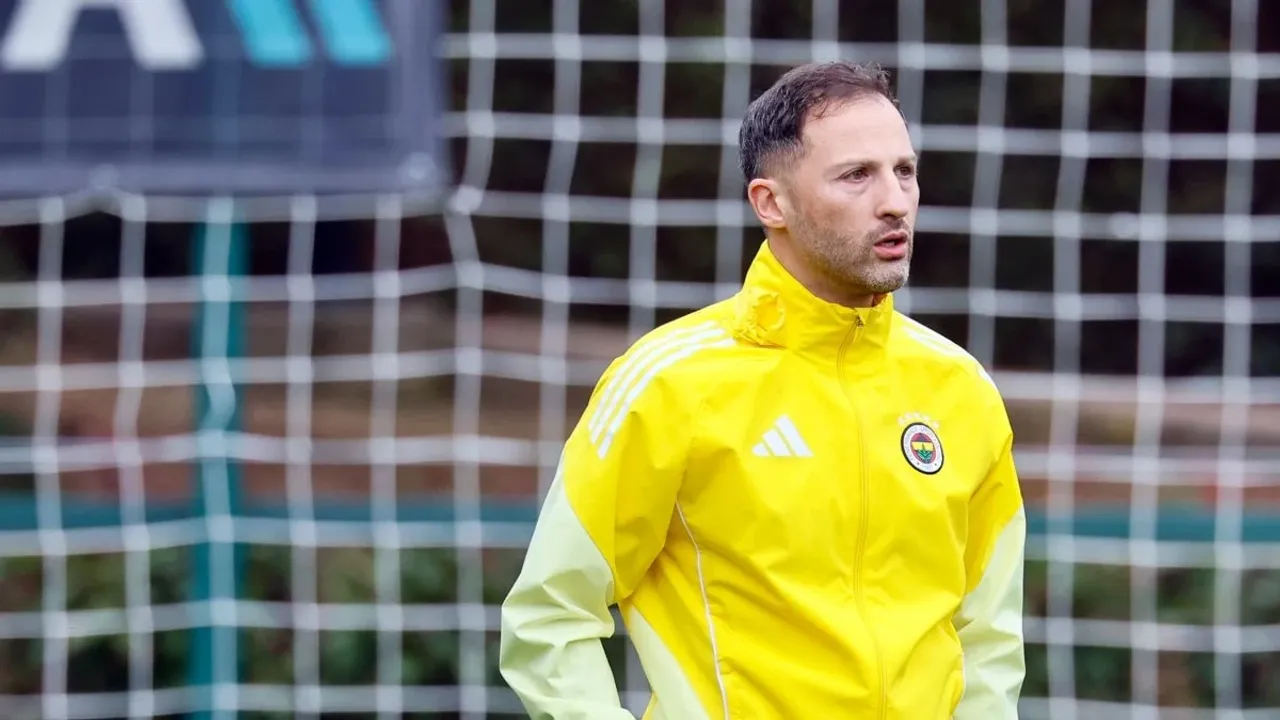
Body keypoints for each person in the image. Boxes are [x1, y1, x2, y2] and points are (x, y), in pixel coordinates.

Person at [499, 60, 1026, 719]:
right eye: (856, 175)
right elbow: (550, 613)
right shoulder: (670, 382)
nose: (895, 201)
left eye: (905, 171)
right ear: (771, 203)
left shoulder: (960, 389)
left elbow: (988, 635)